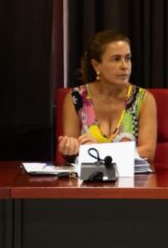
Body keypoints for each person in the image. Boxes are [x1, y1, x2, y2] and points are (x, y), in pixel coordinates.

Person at [57, 30, 157, 162]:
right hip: (88, 180)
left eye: (127, 58)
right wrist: (68, 148)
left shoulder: (143, 99)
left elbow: (147, 153)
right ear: (96, 65)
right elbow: (71, 155)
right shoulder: (76, 98)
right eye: (116, 59)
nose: (125, 66)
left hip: (132, 180)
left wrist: (99, 150)